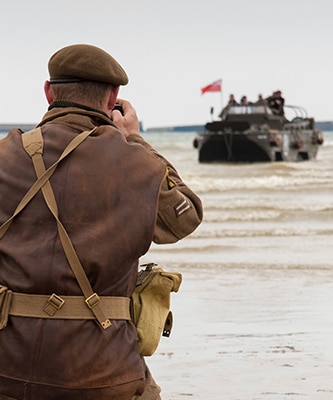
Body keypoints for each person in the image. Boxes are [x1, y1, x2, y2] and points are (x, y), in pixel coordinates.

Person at [0, 44, 203, 400]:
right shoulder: (135, 165)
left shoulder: (4, 155)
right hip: (102, 373)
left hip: (7, 368)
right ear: (114, 99)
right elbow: (185, 217)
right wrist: (136, 140)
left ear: (48, 91)